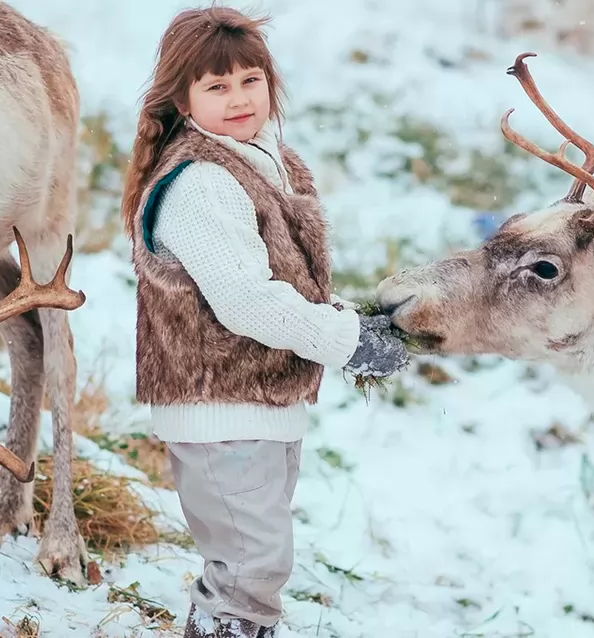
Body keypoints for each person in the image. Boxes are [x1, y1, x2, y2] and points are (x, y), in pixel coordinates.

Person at [120, 6, 410, 638]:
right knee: (254, 566)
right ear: (182, 97)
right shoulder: (200, 183)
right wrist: (348, 340)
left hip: (259, 402)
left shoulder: (262, 159)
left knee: (247, 562)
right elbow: (247, 300)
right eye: (216, 87)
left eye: (250, 80)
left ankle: (218, 624)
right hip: (219, 407)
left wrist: (345, 322)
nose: (239, 99)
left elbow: (282, 279)